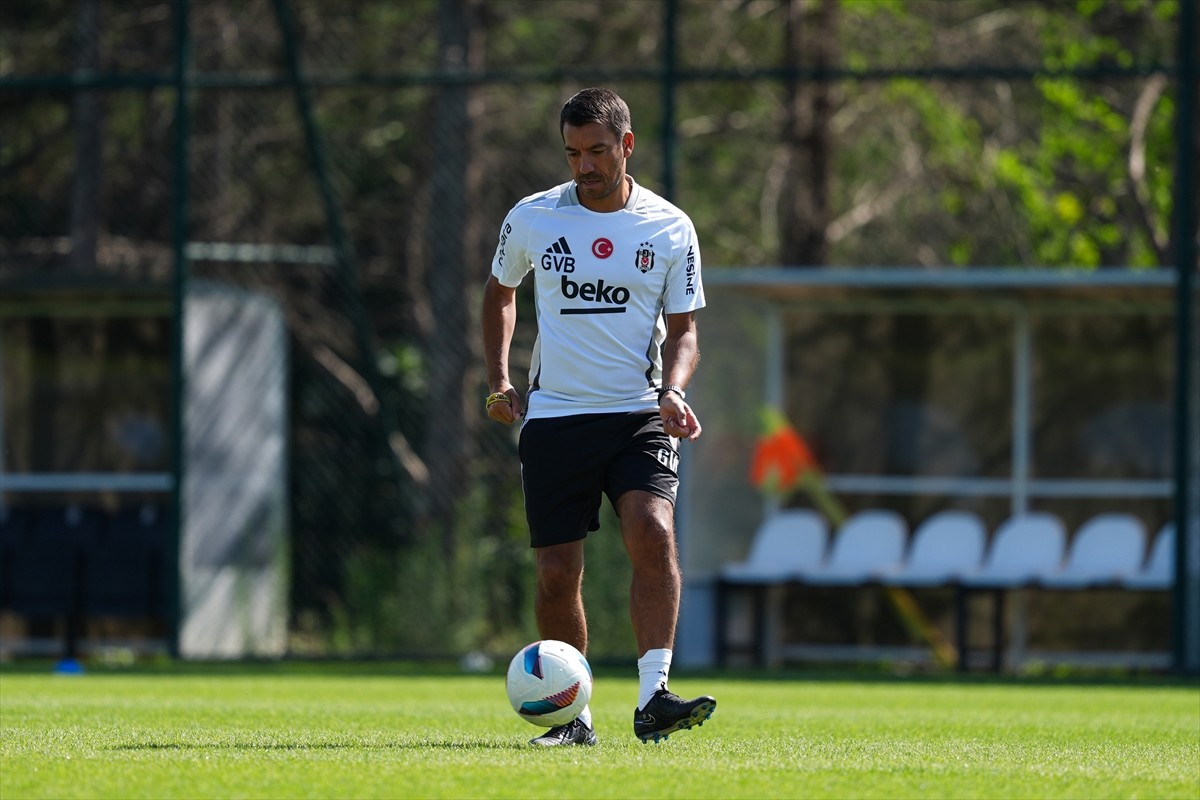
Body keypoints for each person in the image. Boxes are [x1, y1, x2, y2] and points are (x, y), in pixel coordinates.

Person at [481, 87, 715, 747]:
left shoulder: (669, 226)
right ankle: (572, 717)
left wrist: (674, 390)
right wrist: (500, 378)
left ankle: (654, 698)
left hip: (639, 412)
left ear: (627, 146)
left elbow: (686, 329)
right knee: (558, 570)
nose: (584, 166)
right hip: (554, 415)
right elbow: (500, 291)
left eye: (597, 151)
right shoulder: (533, 216)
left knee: (653, 530)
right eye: (573, 153)